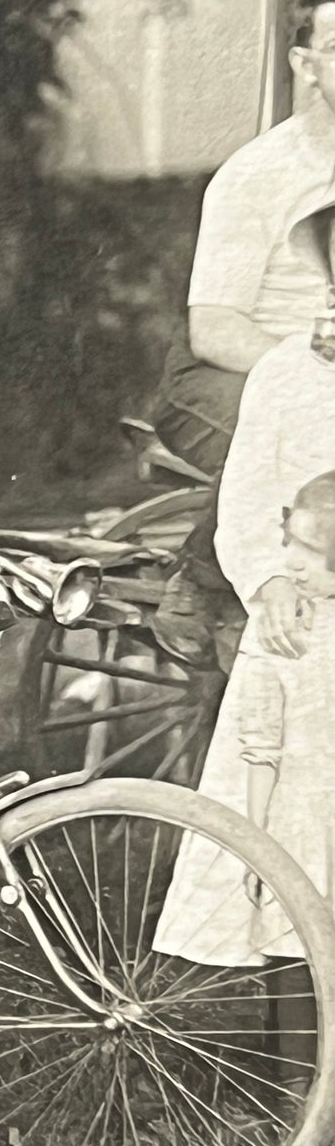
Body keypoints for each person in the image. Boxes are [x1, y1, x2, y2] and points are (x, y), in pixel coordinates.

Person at [151, 0, 335, 666]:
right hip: (222, 375)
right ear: (303, 63)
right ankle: (199, 582)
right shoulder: (256, 175)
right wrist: (309, 359)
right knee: (308, 423)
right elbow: (214, 330)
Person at [154, 329, 335, 982]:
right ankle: (296, 1060)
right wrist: (270, 578)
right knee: (291, 821)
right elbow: (249, 497)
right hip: (310, 628)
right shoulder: (291, 371)